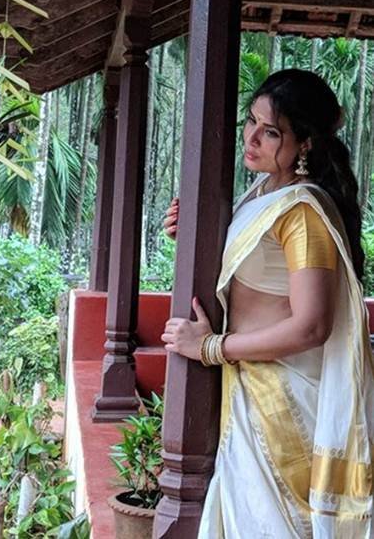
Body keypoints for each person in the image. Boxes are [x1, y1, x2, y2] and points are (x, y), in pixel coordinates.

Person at [161, 69, 374, 537]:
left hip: (283, 402)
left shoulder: (302, 212)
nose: (252, 138)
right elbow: (250, 274)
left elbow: (311, 326)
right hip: (252, 391)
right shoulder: (261, 195)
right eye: (251, 121)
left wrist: (212, 348)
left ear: (305, 144)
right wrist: (190, 235)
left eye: (271, 131)